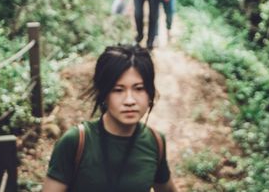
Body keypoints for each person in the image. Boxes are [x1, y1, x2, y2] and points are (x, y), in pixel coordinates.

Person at [42, 45, 177, 192]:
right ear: (104, 94)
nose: (129, 100)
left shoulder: (155, 142)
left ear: (150, 93)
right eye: (118, 90)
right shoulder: (76, 142)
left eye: (139, 88)